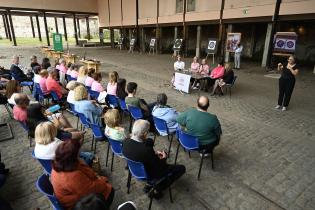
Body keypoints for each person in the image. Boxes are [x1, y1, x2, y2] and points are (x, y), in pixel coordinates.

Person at [122, 120, 186, 198]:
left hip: (134, 169)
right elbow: (159, 167)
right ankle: (157, 188)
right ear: (145, 133)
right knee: (181, 168)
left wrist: (153, 154)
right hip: (149, 174)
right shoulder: (146, 150)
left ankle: (149, 184)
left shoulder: (125, 141)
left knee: (149, 143)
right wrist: (164, 158)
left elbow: (144, 151)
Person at [51, 139, 114, 210]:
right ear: (72, 157)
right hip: (74, 204)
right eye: (78, 152)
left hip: (73, 197)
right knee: (110, 190)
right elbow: (90, 190)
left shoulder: (58, 165)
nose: (80, 153)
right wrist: (103, 180)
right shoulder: (72, 177)